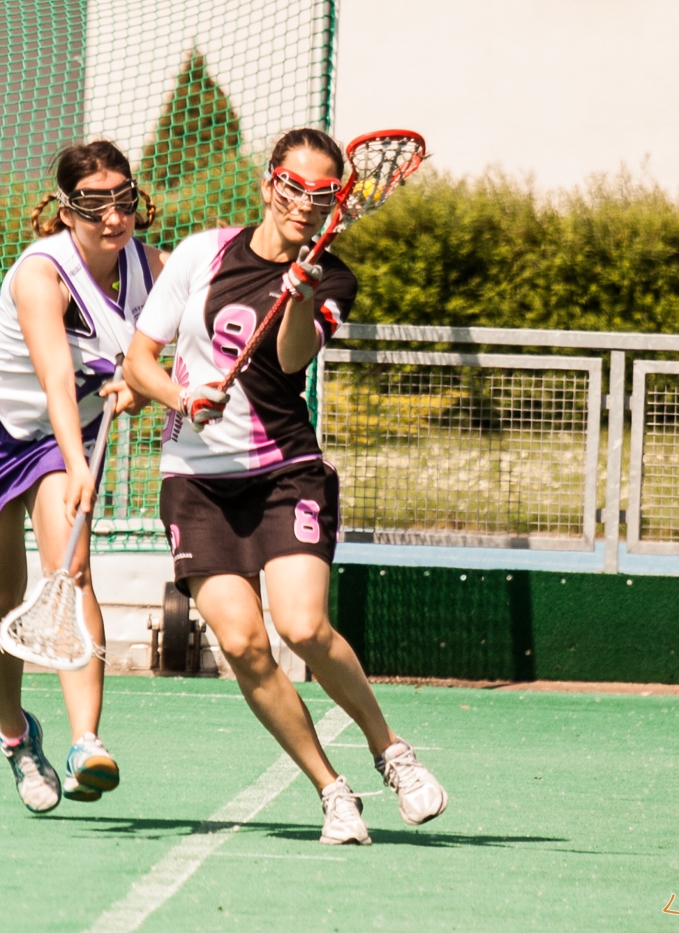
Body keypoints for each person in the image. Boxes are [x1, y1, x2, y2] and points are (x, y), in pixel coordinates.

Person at [123, 128, 448, 845]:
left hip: (284, 471)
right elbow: (139, 361)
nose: (304, 203)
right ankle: (332, 790)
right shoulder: (202, 254)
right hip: (197, 482)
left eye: (322, 194)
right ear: (269, 183)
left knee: (301, 627)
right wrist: (181, 398)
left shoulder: (333, 278)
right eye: (293, 187)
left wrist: (299, 295)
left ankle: (391, 752)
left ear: (338, 201)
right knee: (244, 645)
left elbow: (292, 357)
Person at [0, 141, 166, 812]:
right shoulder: (42, 275)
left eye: (123, 199)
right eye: (94, 204)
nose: (113, 217)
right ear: (66, 211)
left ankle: (87, 742)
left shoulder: (154, 268)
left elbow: (173, 350)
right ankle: (16, 735)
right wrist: (84, 461)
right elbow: (58, 380)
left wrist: (145, 387)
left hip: (60, 445)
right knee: (0, 599)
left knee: (73, 571)